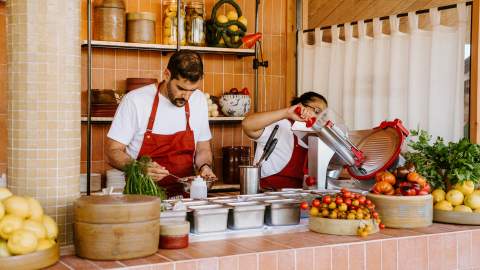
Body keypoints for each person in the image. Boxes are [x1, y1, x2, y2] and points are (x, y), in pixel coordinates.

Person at [106, 50, 216, 197]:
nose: (187, 97)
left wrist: (205, 167)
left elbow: (203, 148)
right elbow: (112, 152)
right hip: (142, 197)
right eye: (181, 89)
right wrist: (139, 167)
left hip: (186, 199)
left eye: (192, 90)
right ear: (167, 75)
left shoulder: (199, 100)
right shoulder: (135, 100)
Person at [241, 92, 328, 190]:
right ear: (300, 106)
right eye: (316, 111)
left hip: (299, 196)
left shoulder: (317, 137)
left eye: (323, 116)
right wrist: (287, 112)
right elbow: (247, 125)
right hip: (268, 193)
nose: (319, 119)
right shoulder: (281, 125)